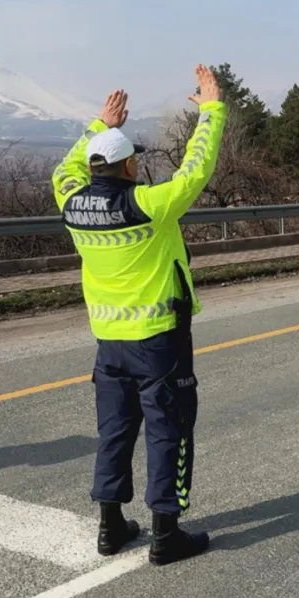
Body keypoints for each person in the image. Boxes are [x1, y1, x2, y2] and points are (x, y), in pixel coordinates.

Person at [51, 65, 226, 565]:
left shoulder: (71, 203)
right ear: (129, 168)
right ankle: (166, 535)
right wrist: (211, 108)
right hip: (159, 343)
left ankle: (110, 527)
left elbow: (63, 169)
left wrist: (98, 126)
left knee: (115, 431)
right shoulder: (150, 205)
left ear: (92, 169)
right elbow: (197, 167)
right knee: (167, 430)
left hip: (109, 342)